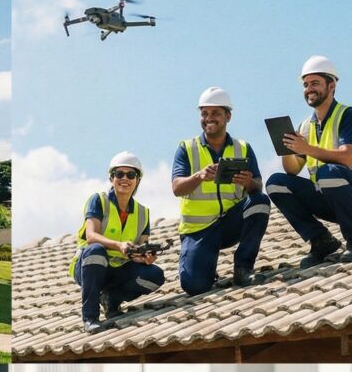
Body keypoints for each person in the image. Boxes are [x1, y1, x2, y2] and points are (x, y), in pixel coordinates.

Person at [267, 56, 352, 268]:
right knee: (275, 182)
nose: (309, 89)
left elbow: (346, 157)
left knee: (329, 172)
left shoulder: (349, 116)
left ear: (331, 86)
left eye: (315, 83)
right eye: (305, 84)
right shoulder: (305, 126)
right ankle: (321, 241)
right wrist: (287, 149)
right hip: (329, 196)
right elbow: (291, 170)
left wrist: (307, 149)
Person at [171, 87, 271, 294]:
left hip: (230, 223)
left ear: (228, 116)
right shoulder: (186, 148)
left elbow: (258, 186)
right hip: (199, 231)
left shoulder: (242, 147)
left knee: (260, 201)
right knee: (194, 286)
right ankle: (206, 268)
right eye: (204, 113)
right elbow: (177, 188)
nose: (209, 118)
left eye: (215, 113)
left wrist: (249, 182)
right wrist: (198, 176)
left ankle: (243, 268)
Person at [69, 152, 164, 333]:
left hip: (117, 271)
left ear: (138, 180)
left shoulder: (143, 213)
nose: (125, 179)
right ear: (111, 178)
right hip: (89, 268)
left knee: (155, 276)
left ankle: (112, 299)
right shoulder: (99, 200)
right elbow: (91, 236)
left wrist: (144, 258)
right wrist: (119, 245)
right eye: (119, 174)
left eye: (131, 175)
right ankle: (90, 317)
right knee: (95, 250)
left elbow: (137, 252)